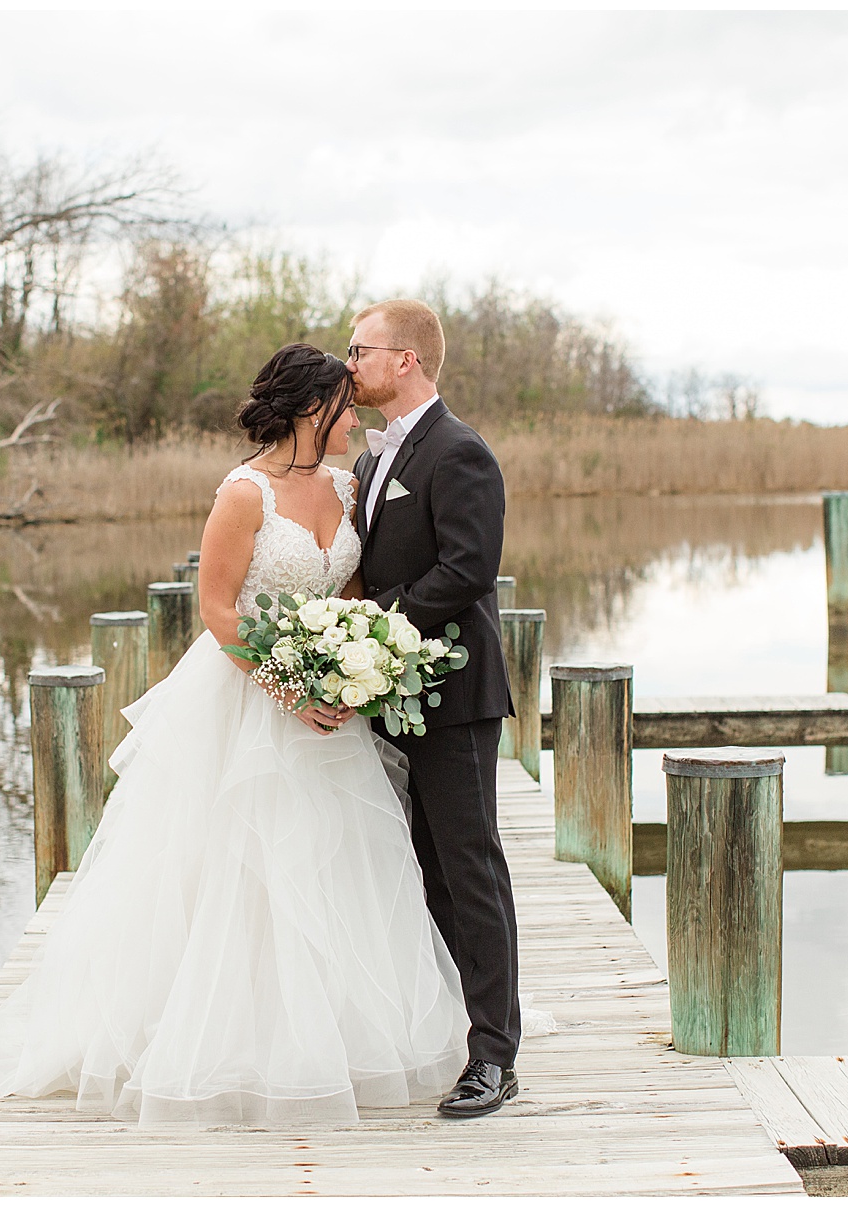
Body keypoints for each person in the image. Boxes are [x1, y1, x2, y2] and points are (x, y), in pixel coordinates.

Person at [0, 343, 471, 1126]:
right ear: (311, 409)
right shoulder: (243, 493)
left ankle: (329, 1033)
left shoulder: (350, 483)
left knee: (330, 859)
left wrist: (352, 666)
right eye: (344, 403)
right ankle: (222, 1038)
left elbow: (355, 592)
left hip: (327, 705)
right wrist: (288, 685)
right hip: (246, 696)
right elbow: (219, 608)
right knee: (239, 864)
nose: (355, 415)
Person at [346, 299, 522, 1118]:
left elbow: (468, 571)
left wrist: (380, 626)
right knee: (419, 868)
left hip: (454, 696)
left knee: (470, 866)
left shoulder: (460, 452)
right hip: (388, 693)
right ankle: (451, 1025)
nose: (350, 363)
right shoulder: (369, 458)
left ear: (406, 359)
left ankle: (495, 1055)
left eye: (361, 349)